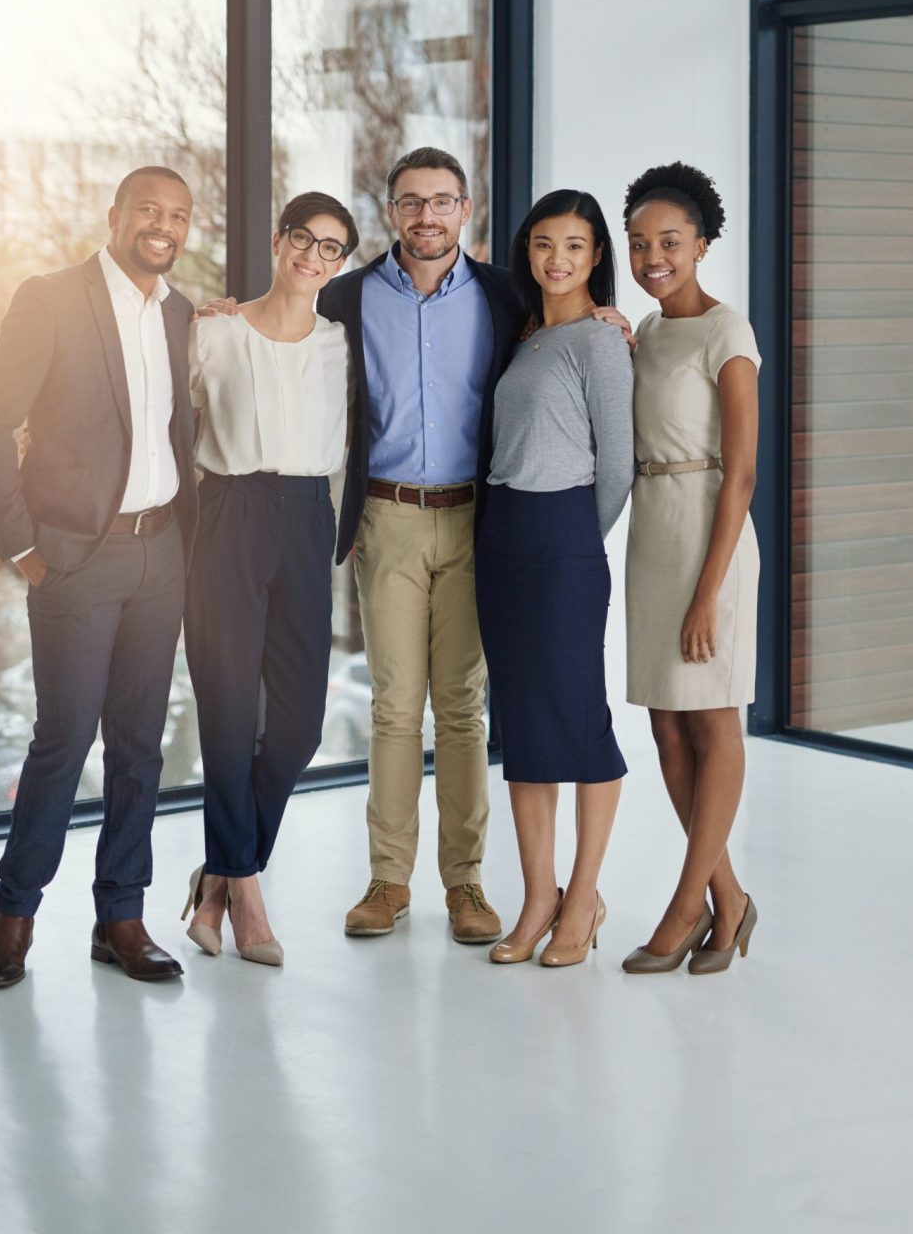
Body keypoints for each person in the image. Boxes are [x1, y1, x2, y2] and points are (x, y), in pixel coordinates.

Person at [0, 166, 200, 988]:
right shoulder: (52, 298)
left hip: (159, 552)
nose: (161, 225)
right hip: (74, 557)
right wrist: (19, 544)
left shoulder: (178, 312)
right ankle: (13, 919)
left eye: (177, 214)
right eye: (147, 209)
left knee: (139, 746)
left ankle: (121, 920)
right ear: (115, 215)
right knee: (63, 740)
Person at [321, 148, 522, 942]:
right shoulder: (348, 296)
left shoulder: (508, 295)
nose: (427, 217)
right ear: (391, 212)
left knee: (464, 710)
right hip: (388, 519)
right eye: (411, 202)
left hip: (478, 520)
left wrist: (608, 318)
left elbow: (567, 332)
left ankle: (467, 886)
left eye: (442, 202)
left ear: (465, 210)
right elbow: (282, 332)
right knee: (396, 709)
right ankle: (388, 882)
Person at [181, 192, 357, 966]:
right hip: (226, 511)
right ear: (279, 240)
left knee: (298, 725)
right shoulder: (213, 331)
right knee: (223, 708)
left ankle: (219, 873)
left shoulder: (341, 344)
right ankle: (246, 894)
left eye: (333, 249)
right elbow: (170, 416)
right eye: (305, 240)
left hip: (303, 515)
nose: (315, 258)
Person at [475, 190, 634, 967]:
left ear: (597, 255)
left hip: (563, 537)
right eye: (543, 244)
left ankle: (584, 896)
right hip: (501, 535)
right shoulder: (528, 335)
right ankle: (537, 897)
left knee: (578, 719)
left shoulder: (602, 344)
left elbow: (621, 463)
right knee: (525, 722)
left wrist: (577, 541)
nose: (557, 260)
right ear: (527, 253)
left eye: (574, 245)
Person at [621, 162, 761, 976]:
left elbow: (741, 473)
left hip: (711, 531)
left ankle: (687, 905)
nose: (652, 256)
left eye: (669, 241)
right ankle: (729, 896)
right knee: (665, 721)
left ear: (702, 244)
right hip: (652, 530)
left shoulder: (725, 331)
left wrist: (709, 593)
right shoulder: (642, 330)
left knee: (713, 719)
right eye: (639, 244)